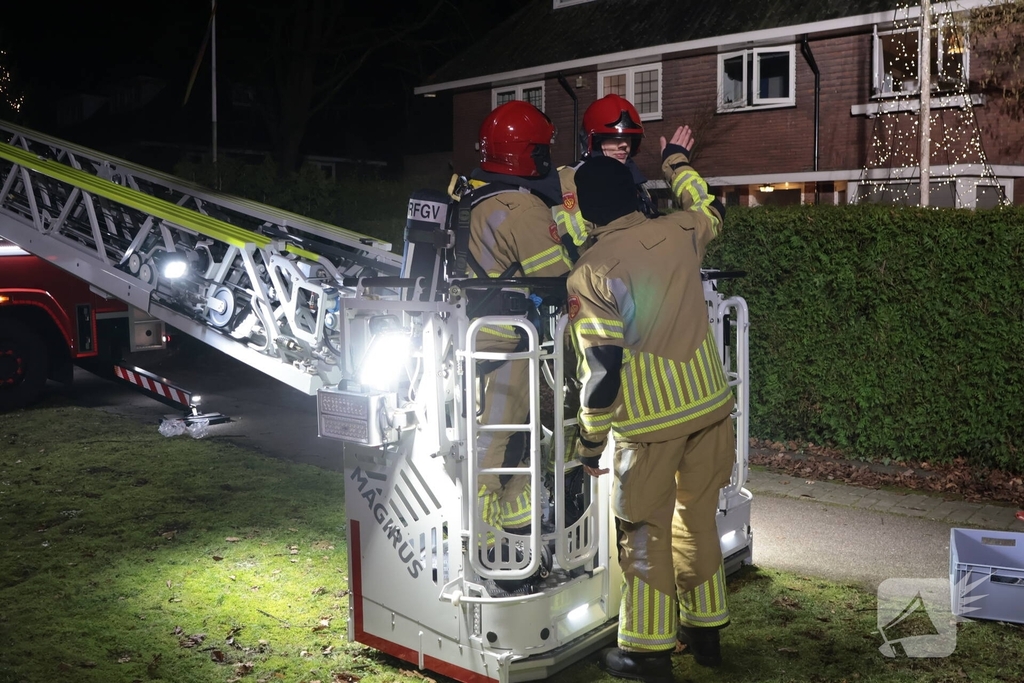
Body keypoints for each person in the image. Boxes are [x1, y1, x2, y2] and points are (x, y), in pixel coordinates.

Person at [566, 129, 732, 683]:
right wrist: (676, 160)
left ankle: (646, 653)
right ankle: (706, 633)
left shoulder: (590, 271)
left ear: (586, 212)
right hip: (711, 406)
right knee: (697, 517)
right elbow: (703, 202)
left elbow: (603, 371)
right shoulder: (683, 229)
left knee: (643, 532)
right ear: (636, 196)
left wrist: (590, 443)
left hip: (651, 424)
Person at [461, 100, 572, 592]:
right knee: (501, 438)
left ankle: (510, 527)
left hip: (478, 335)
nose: (546, 159)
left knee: (508, 436)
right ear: (522, 155)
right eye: (540, 151)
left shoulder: (474, 194)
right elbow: (556, 275)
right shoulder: (522, 208)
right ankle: (489, 542)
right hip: (508, 340)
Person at [554, 94, 659, 257]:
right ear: (594, 140)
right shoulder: (571, 178)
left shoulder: (636, 181)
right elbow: (577, 242)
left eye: (628, 138)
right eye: (615, 138)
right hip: (598, 270)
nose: (624, 145)